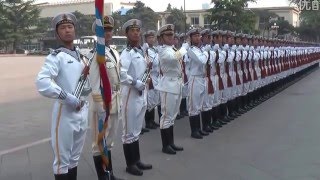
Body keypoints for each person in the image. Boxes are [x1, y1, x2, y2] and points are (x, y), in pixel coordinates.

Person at [35, 12, 90, 180]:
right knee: (62, 162)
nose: (67, 30)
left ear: (75, 30)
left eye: (70, 27)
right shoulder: (56, 57)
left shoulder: (82, 57)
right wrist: (67, 97)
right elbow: (42, 82)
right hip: (65, 113)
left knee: (74, 158)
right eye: (63, 28)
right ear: (57, 33)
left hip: (83, 111)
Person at [89, 15, 123, 180]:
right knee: (98, 143)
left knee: (109, 141)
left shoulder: (114, 52)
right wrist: (100, 107)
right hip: (103, 104)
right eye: (104, 30)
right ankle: (102, 176)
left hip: (116, 100)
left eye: (109, 29)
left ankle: (110, 173)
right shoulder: (96, 54)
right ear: (97, 33)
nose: (107, 33)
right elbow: (94, 84)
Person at [119, 19, 152, 176]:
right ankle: (130, 164)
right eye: (132, 30)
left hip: (142, 93)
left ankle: (137, 160)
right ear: (126, 34)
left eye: (138, 30)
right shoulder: (127, 53)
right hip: (130, 95)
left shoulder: (142, 52)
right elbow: (122, 75)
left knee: (136, 130)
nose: (136, 33)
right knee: (128, 132)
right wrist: (137, 83)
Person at [156, 24, 188, 154]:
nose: (171, 37)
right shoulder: (163, 50)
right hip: (168, 85)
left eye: (172, 35)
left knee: (172, 116)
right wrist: (184, 48)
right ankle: (165, 145)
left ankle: (171, 143)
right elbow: (173, 58)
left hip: (176, 84)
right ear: (162, 38)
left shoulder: (173, 48)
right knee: (166, 116)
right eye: (167, 35)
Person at [142, 30, 160, 130]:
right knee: (148, 99)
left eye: (153, 37)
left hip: (156, 76)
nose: (152, 39)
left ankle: (152, 120)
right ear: (146, 39)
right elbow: (148, 63)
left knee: (153, 99)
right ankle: (148, 122)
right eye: (149, 38)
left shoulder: (154, 49)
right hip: (150, 76)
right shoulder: (146, 50)